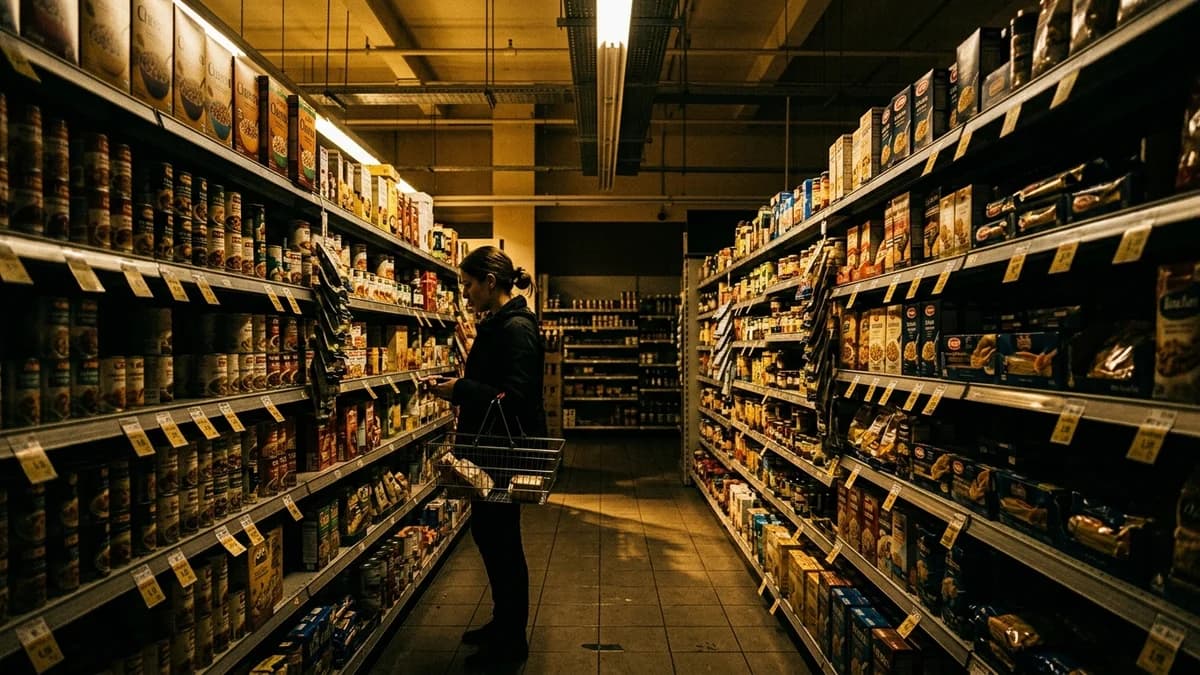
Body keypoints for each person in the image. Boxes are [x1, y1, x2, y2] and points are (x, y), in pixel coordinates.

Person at [426, 245, 544, 668]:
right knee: (492, 540)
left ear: (490, 283)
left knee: (503, 545)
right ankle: (502, 623)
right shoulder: (502, 322)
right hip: (489, 451)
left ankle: (512, 642)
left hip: (504, 455)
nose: (466, 293)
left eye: (469, 284)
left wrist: (459, 389)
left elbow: (516, 397)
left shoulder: (517, 329)